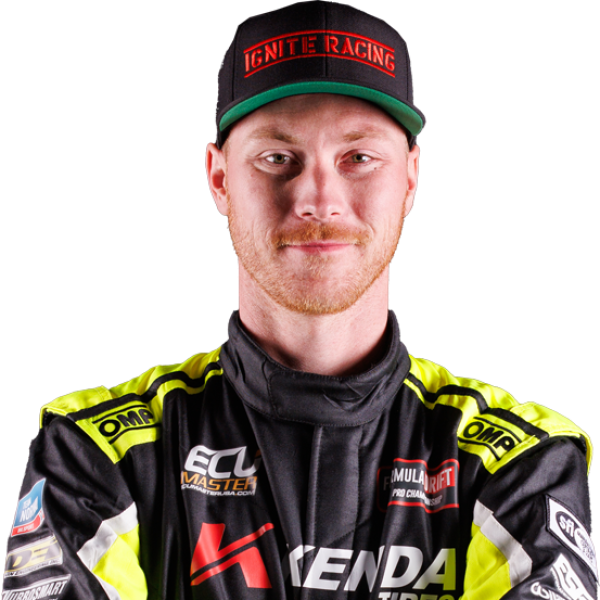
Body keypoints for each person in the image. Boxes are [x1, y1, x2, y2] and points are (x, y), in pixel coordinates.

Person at [2, 2, 598, 599]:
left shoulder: (517, 461)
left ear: (411, 175)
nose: (318, 199)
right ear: (219, 178)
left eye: (358, 158)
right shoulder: (100, 453)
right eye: (277, 158)